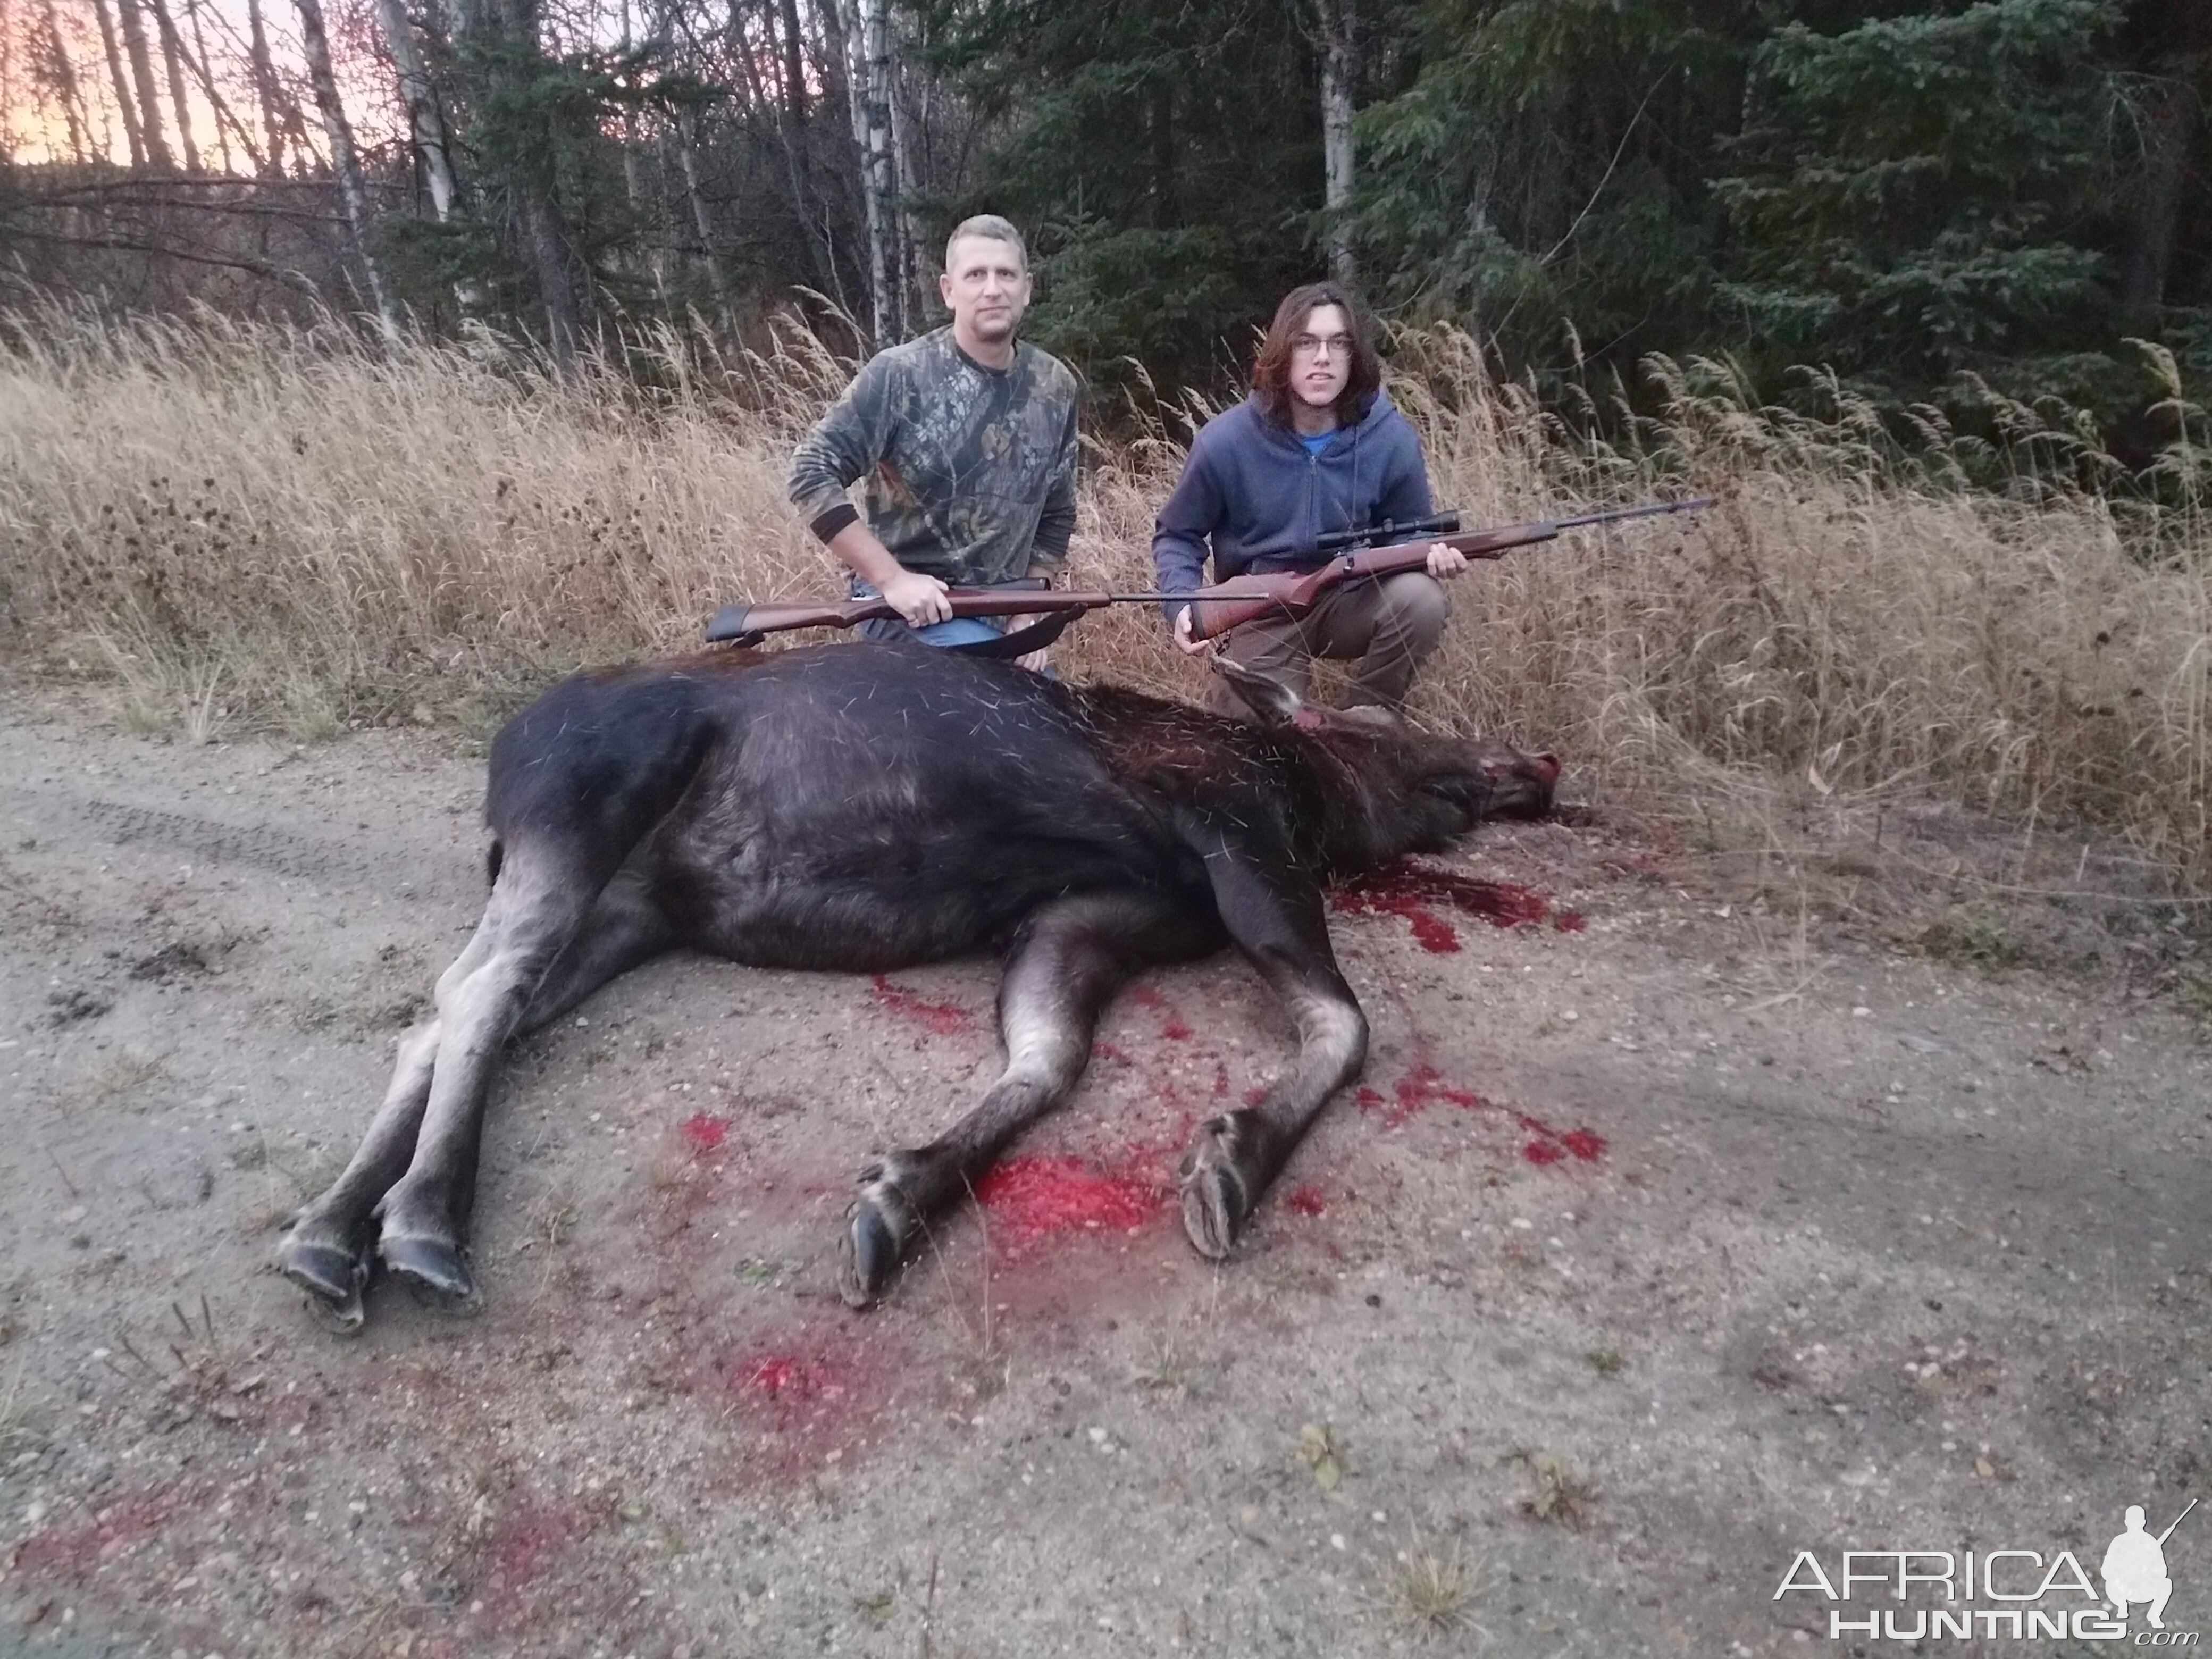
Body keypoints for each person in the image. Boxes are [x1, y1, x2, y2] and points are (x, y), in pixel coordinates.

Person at [1152, 281, 1467, 710]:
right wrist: (1180, 602)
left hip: (1350, 597)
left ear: (1354, 357)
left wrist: (1426, 557)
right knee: (1253, 740)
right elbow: (1177, 535)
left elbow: (1407, 533)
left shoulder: (1389, 438)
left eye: (1339, 344)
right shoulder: (1225, 442)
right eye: (1307, 343)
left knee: (1422, 600)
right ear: (1283, 352)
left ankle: (1365, 725)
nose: (1323, 358)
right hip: (1261, 608)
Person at [787, 214, 1080, 671]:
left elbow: (1056, 515)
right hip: (905, 610)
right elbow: (810, 472)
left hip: (999, 613)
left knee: (1057, 717)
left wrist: (1028, 611)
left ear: (1027, 288)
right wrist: (893, 581)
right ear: (949, 290)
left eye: (1006, 274)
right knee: (1012, 710)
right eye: (976, 275)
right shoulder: (900, 375)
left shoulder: (1054, 385)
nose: (992, 289)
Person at [2102, 1506, 2175, 1629]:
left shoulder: (2151, 1543)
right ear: (2126, 1523)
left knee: (2167, 1584)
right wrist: (2123, 1570)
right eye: (2132, 1521)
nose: (2135, 1525)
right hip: (2122, 1589)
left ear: (2144, 1523)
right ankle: (2122, 1606)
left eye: (2138, 1521)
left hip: (2144, 1588)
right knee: (2111, 1583)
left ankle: (2154, 1615)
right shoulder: (2118, 1542)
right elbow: (2106, 1570)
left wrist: (2147, 1569)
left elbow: (2163, 1571)